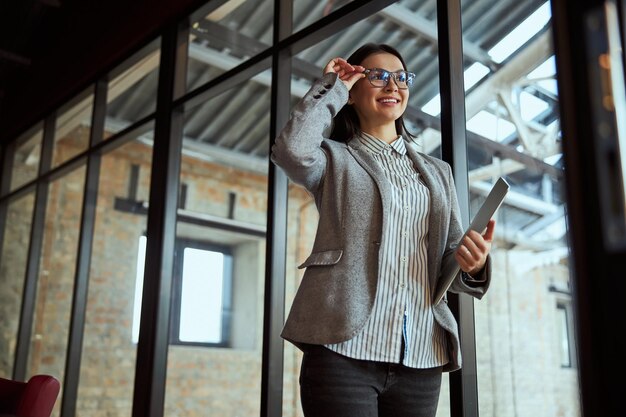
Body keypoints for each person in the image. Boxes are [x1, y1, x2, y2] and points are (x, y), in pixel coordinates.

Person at [271, 43, 496, 417]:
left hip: (422, 354)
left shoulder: (438, 172)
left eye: (401, 77)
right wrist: (333, 85)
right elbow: (291, 150)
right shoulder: (333, 159)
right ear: (354, 92)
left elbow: (447, 257)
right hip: (344, 350)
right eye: (377, 76)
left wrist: (472, 264)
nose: (392, 85)